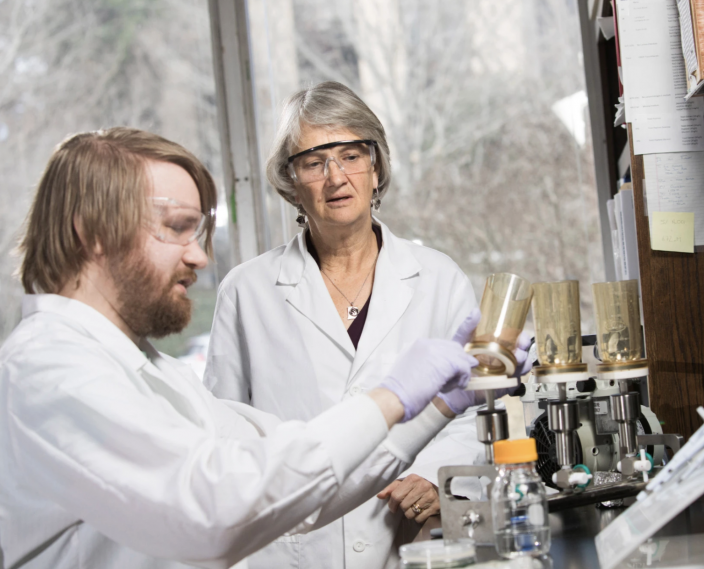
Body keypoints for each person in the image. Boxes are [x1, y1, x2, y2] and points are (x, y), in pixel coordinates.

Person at [0, 127, 486, 569]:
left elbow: (301, 486)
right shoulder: (50, 369)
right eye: (175, 227)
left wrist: (436, 407)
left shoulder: (151, 371)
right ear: (92, 231)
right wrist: (391, 397)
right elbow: (213, 511)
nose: (199, 256)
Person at [203, 81, 529, 569]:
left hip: (405, 540)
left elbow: (470, 407)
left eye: (351, 155)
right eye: (314, 162)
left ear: (376, 168)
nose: (337, 177)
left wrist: (434, 475)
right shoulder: (246, 291)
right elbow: (223, 434)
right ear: (291, 182)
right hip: (291, 550)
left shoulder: (437, 277)